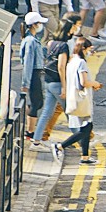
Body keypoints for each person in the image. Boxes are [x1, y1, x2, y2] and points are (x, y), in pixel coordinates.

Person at [33, 13, 80, 147]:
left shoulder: (51, 43)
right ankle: (81, 140)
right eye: (71, 29)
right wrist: (65, 87)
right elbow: (61, 67)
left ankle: (36, 140)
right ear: (67, 30)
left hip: (48, 81)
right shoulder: (63, 46)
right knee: (70, 112)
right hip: (58, 83)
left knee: (47, 111)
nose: (73, 32)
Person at [57, 37, 102, 164]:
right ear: (83, 48)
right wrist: (95, 83)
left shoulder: (71, 61)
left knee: (87, 127)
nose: (89, 52)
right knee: (86, 128)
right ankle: (60, 146)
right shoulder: (81, 62)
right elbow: (84, 82)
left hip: (74, 97)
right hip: (81, 98)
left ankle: (85, 157)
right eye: (88, 49)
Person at [20, 11, 48, 140]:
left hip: (35, 74)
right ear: (34, 25)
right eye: (40, 23)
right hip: (34, 75)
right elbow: (28, 63)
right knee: (37, 103)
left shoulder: (32, 39)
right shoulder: (30, 41)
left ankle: (29, 130)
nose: (41, 26)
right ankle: (30, 132)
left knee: (36, 102)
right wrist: (25, 83)